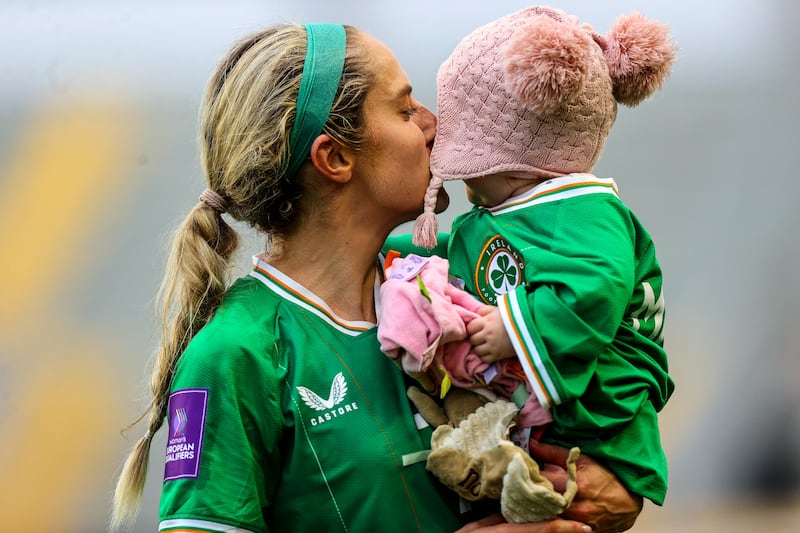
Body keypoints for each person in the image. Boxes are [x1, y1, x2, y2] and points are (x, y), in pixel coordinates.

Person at [111, 20, 642, 533]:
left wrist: (612, 489)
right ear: (336, 157)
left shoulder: (445, 273)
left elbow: (608, 380)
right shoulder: (236, 351)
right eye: (405, 108)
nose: (435, 124)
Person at [391, 3, 677, 523]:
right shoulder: (513, 213)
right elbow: (469, 258)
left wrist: (513, 328)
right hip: (556, 411)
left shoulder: (583, 212)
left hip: (597, 419)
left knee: (546, 506)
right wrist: (399, 262)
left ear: (513, 154)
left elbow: (596, 285)